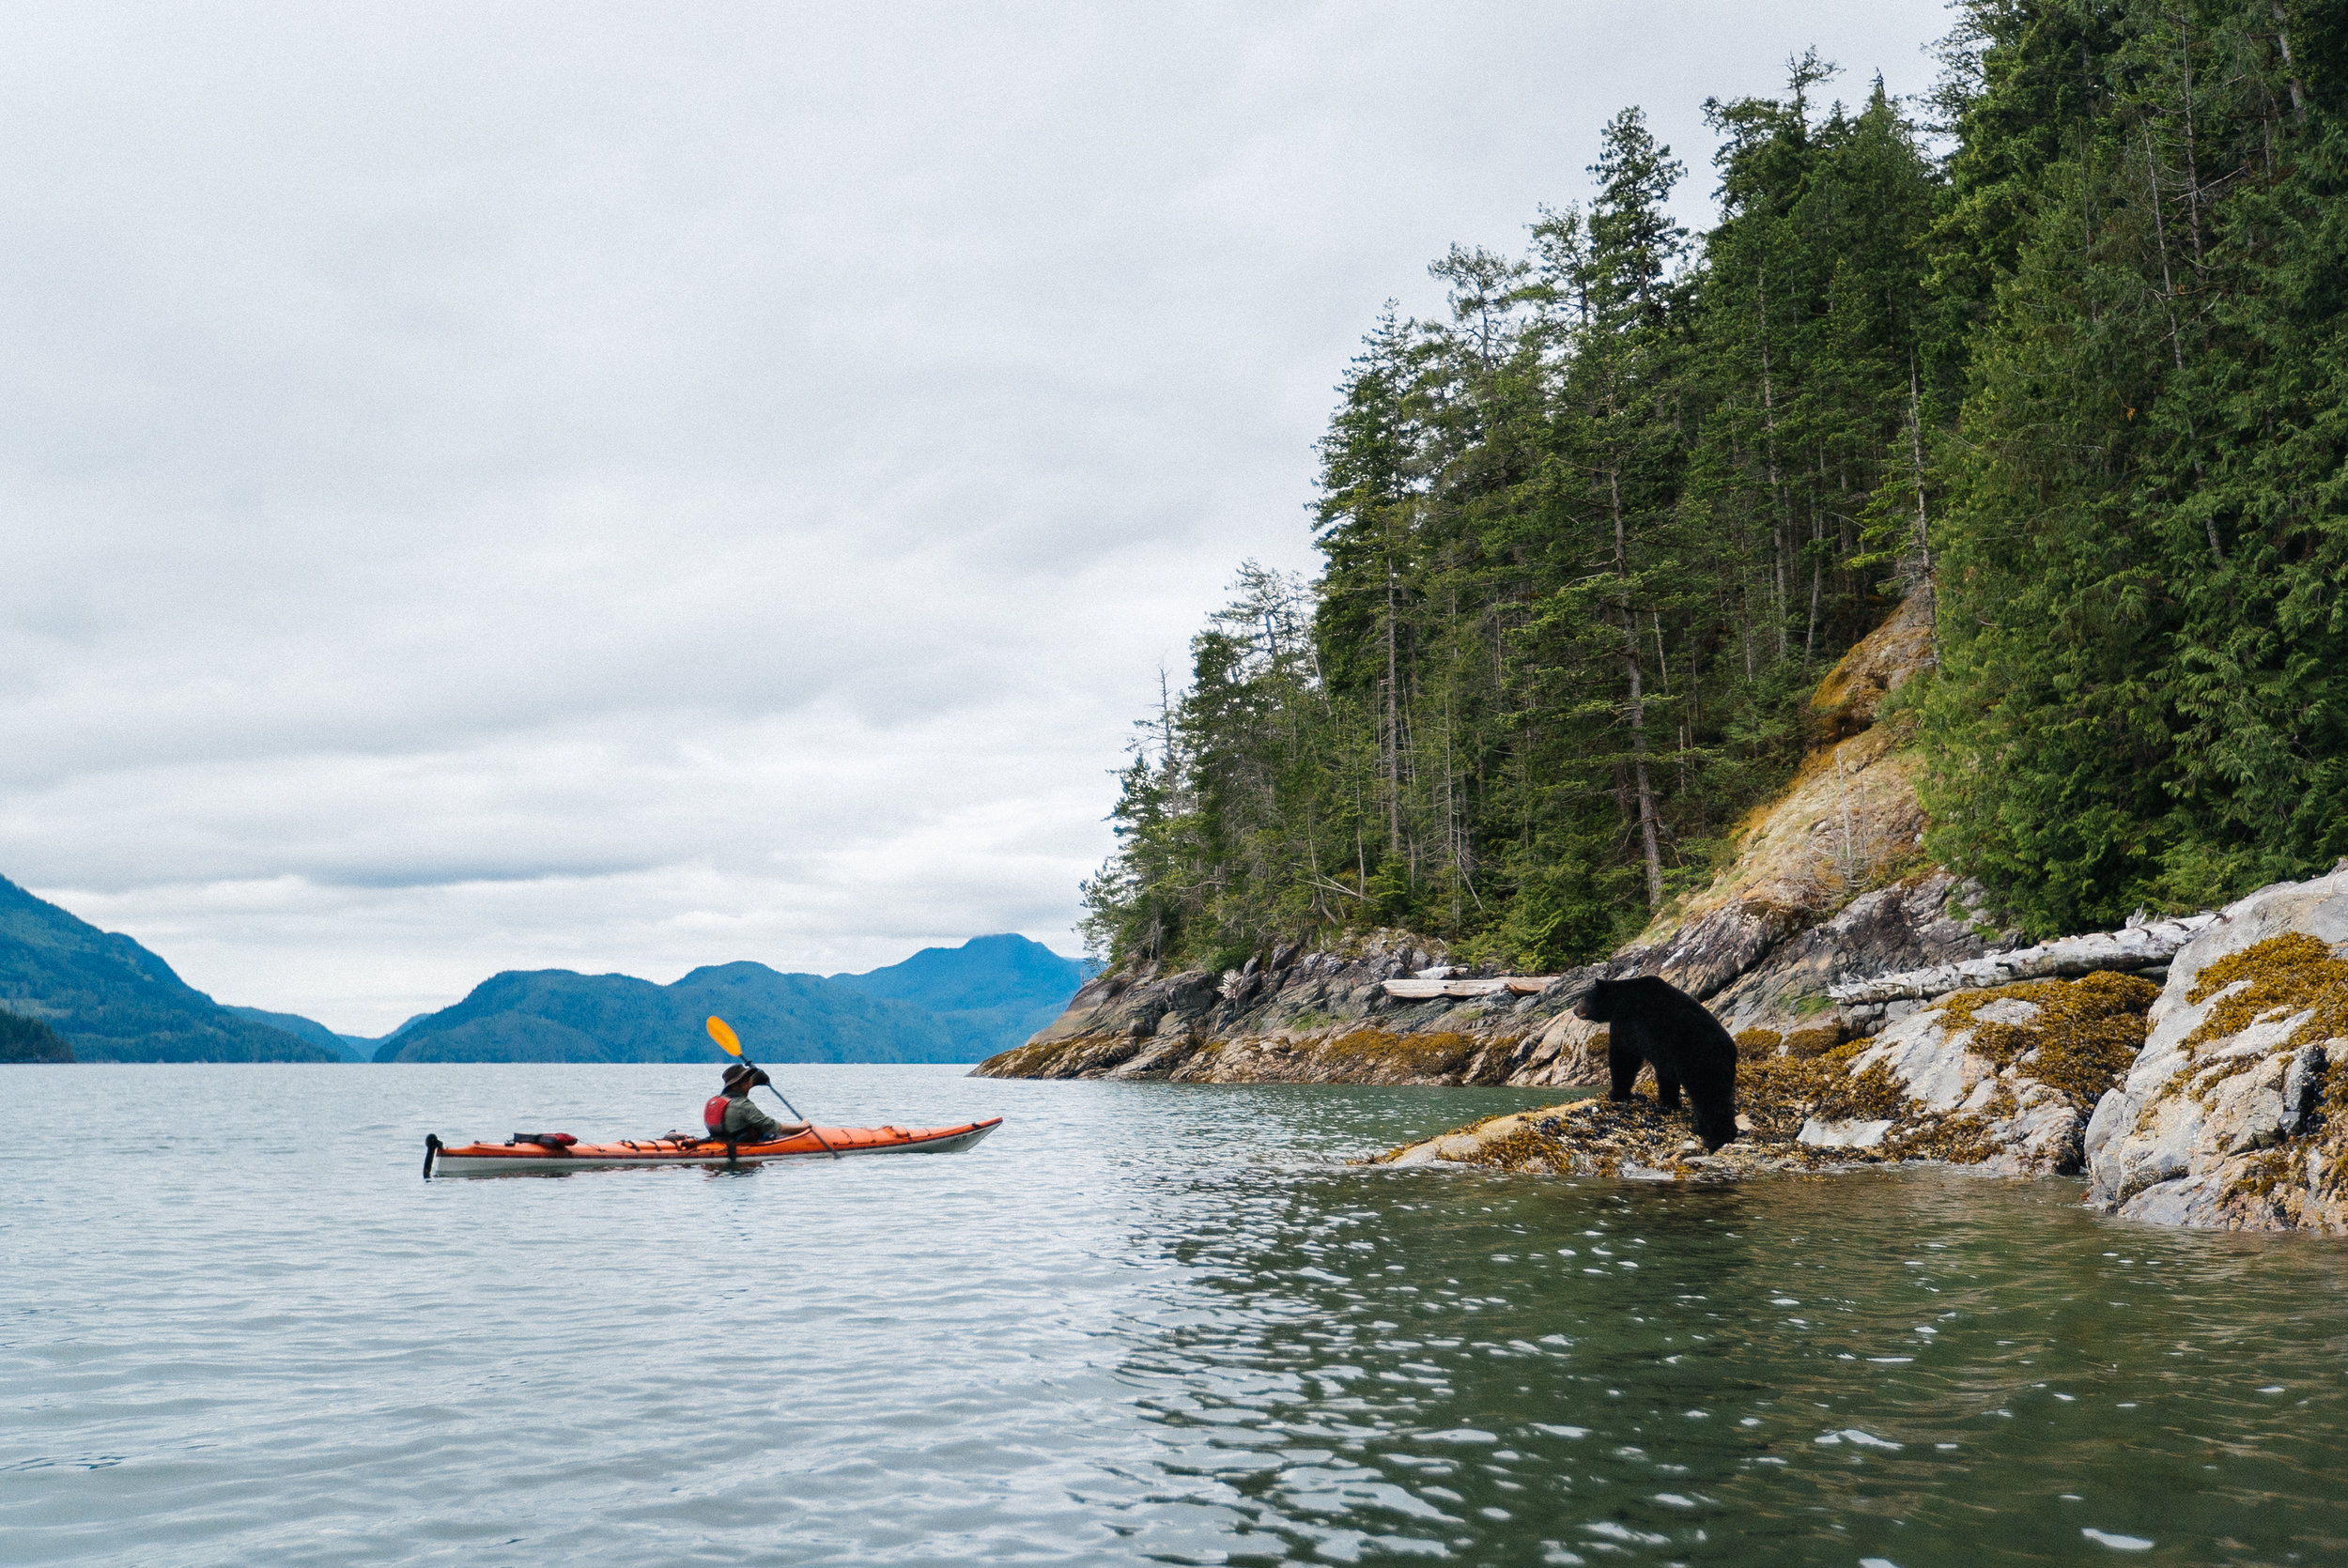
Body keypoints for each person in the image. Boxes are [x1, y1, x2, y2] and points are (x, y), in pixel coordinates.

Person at [706, 1063, 809, 1145]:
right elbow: (771, 1127)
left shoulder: (715, 1100)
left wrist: (759, 1080)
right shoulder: (743, 1105)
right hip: (741, 1146)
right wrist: (801, 1127)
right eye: (747, 1080)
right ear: (736, 1085)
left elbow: (743, 1087)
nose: (750, 1083)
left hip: (720, 1141)